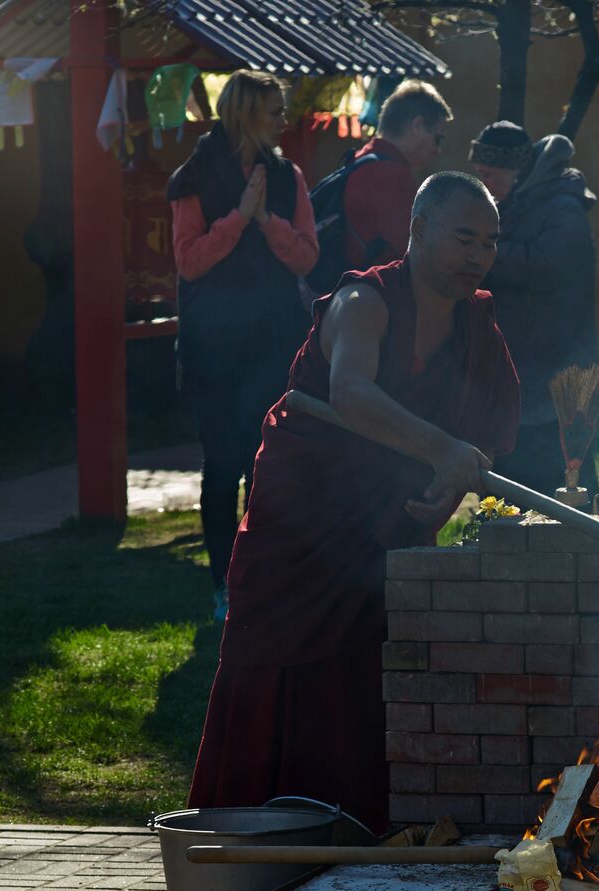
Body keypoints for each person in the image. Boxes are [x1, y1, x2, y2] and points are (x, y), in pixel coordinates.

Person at [187, 173, 520, 830]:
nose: (477, 255)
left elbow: (485, 429)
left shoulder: (477, 326)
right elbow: (352, 394)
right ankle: (253, 830)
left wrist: (449, 479)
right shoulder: (363, 300)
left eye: (490, 241)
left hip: (389, 527)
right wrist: (440, 448)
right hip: (304, 523)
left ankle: (362, 827)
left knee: (374, 679)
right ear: (418, 229)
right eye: (463, 237)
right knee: (278, 678)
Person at [168, 70, 319, 622]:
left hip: (274, 343)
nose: (284, 119)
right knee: (222, 466)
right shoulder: (193, 176)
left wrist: (266, 219)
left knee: (269, 467)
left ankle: (266, 579)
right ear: (247, 113)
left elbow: (307, 257)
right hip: (214, 347)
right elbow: (189, 260)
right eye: (274, 110)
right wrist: (237, 220)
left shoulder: (287, 176)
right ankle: (223, 586)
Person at [469, 121, 599, 502]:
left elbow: (545, 266)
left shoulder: (562, 205)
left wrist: (483, 252)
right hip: (527, 362)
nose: (483, 184)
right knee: (518, 467)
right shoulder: (515, 205)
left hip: (558, 362)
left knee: (564, 473)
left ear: (516, 169)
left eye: (488, 174)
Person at [340, 80, 454, 271]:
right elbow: (412, 253)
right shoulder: (391, 176)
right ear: (417, 126)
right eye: (438, 138)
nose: (438, 150)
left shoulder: (361, 158)